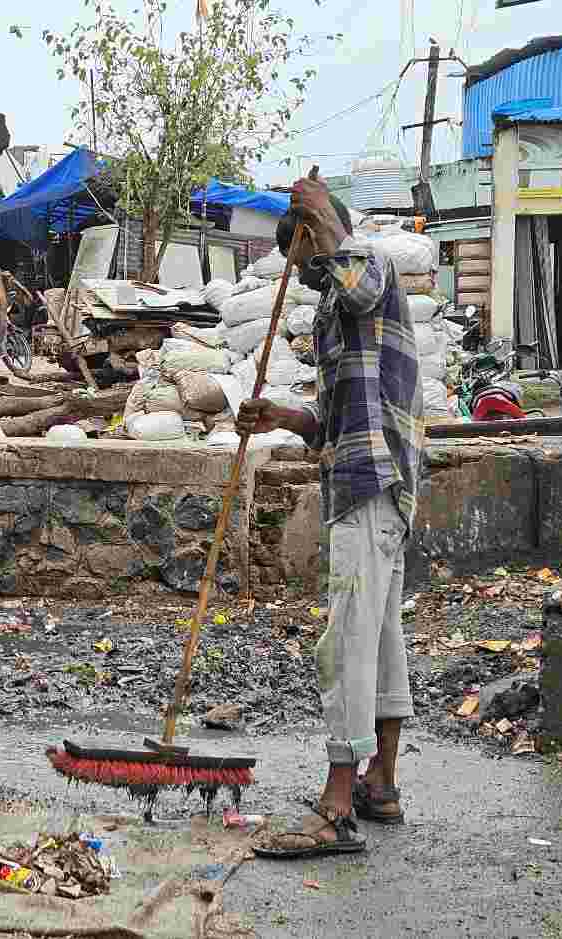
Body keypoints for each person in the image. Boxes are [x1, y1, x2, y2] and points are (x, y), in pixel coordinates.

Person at [237, 175, 425, 858]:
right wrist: (282, 417)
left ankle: (339, 799)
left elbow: (360, 281)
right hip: (366, 477)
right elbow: (334, 419)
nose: (311, 277)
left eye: (310, 261)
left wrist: (322, 219)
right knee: (376, 635)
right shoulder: (332, 308)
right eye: (302, 269)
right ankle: (383, 784)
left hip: (374, 482)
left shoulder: (368, 262)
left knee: (345, 639)